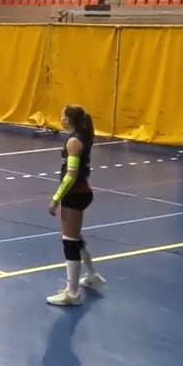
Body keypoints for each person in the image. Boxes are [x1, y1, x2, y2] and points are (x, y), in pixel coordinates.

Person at [46, 104, 104, 306]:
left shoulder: (73, 142)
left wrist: (56, 198)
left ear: (69, 119)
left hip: (74, 195)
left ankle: (72, 293)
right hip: (81, 193)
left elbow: (71, 175)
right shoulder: (82, 137)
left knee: (69, 241)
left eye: (62, 115)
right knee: (75, 237)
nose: (60, 118)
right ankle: (92, 275)